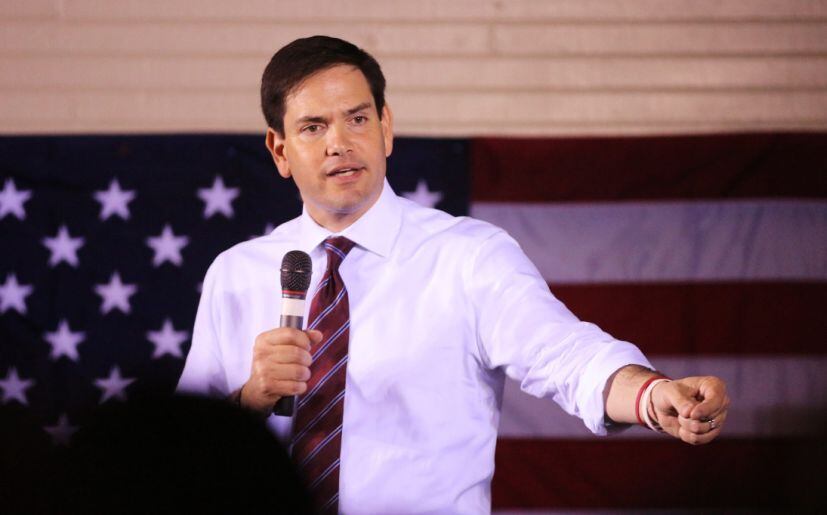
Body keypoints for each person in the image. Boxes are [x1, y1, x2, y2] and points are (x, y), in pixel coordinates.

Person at [177, 35, 730, 514]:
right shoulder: (236, 274)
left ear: (386, 127)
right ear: (279, 150)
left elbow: (567, 357)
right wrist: (250, 398)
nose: (339, 142)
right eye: (313, 127)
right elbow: (180, 454)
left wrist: (652, 394)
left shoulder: (469, 257)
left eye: (358, 119)